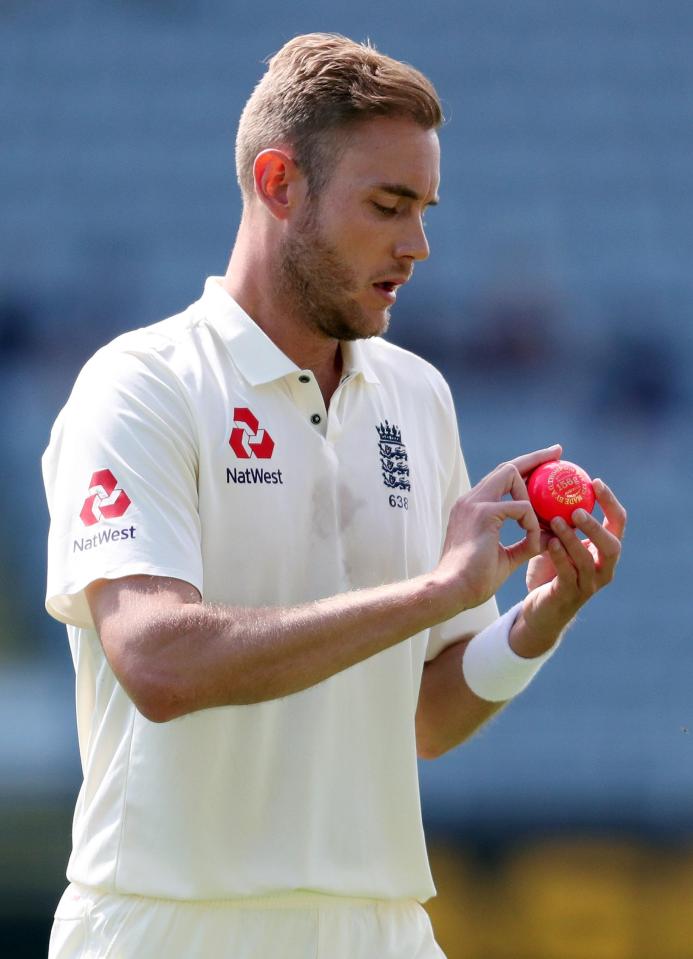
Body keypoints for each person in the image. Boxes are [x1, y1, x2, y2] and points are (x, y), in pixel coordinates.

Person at [42, 33, 626, 959]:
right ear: (279, 185)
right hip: (172, 924)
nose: (418, 245)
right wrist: (435, 592)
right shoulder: (141, 384)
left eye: (425, 209)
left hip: (379, 924)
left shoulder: (416, 395)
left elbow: (423, 714)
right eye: (388, 206)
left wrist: (532, 624)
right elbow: (157, 662)